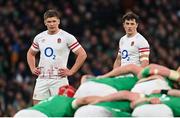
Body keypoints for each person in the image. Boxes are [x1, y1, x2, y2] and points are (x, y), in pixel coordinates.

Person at [27, 9, 87, 104]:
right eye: (49, 22)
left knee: (60, 109)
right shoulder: (39, 37)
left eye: (54, 21)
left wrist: (71, 71)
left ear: (58, 21)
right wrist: (32, 68)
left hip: (59, 78)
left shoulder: (67, 37)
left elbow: (82, 54)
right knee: (38, 109)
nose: (52, 24)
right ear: (45, 23)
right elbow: (30, 53)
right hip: (42, 77)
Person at [74, 64, 180, 117]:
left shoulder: (168, 90)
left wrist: (102, 77)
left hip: (142, 95)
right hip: (148, 91)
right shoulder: (161, 76)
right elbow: (148, 68)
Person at [14, 85, 100, 117]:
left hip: (23, 113)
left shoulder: (52, 99)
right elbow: (84, 100)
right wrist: (104, 99)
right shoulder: (70, 101)